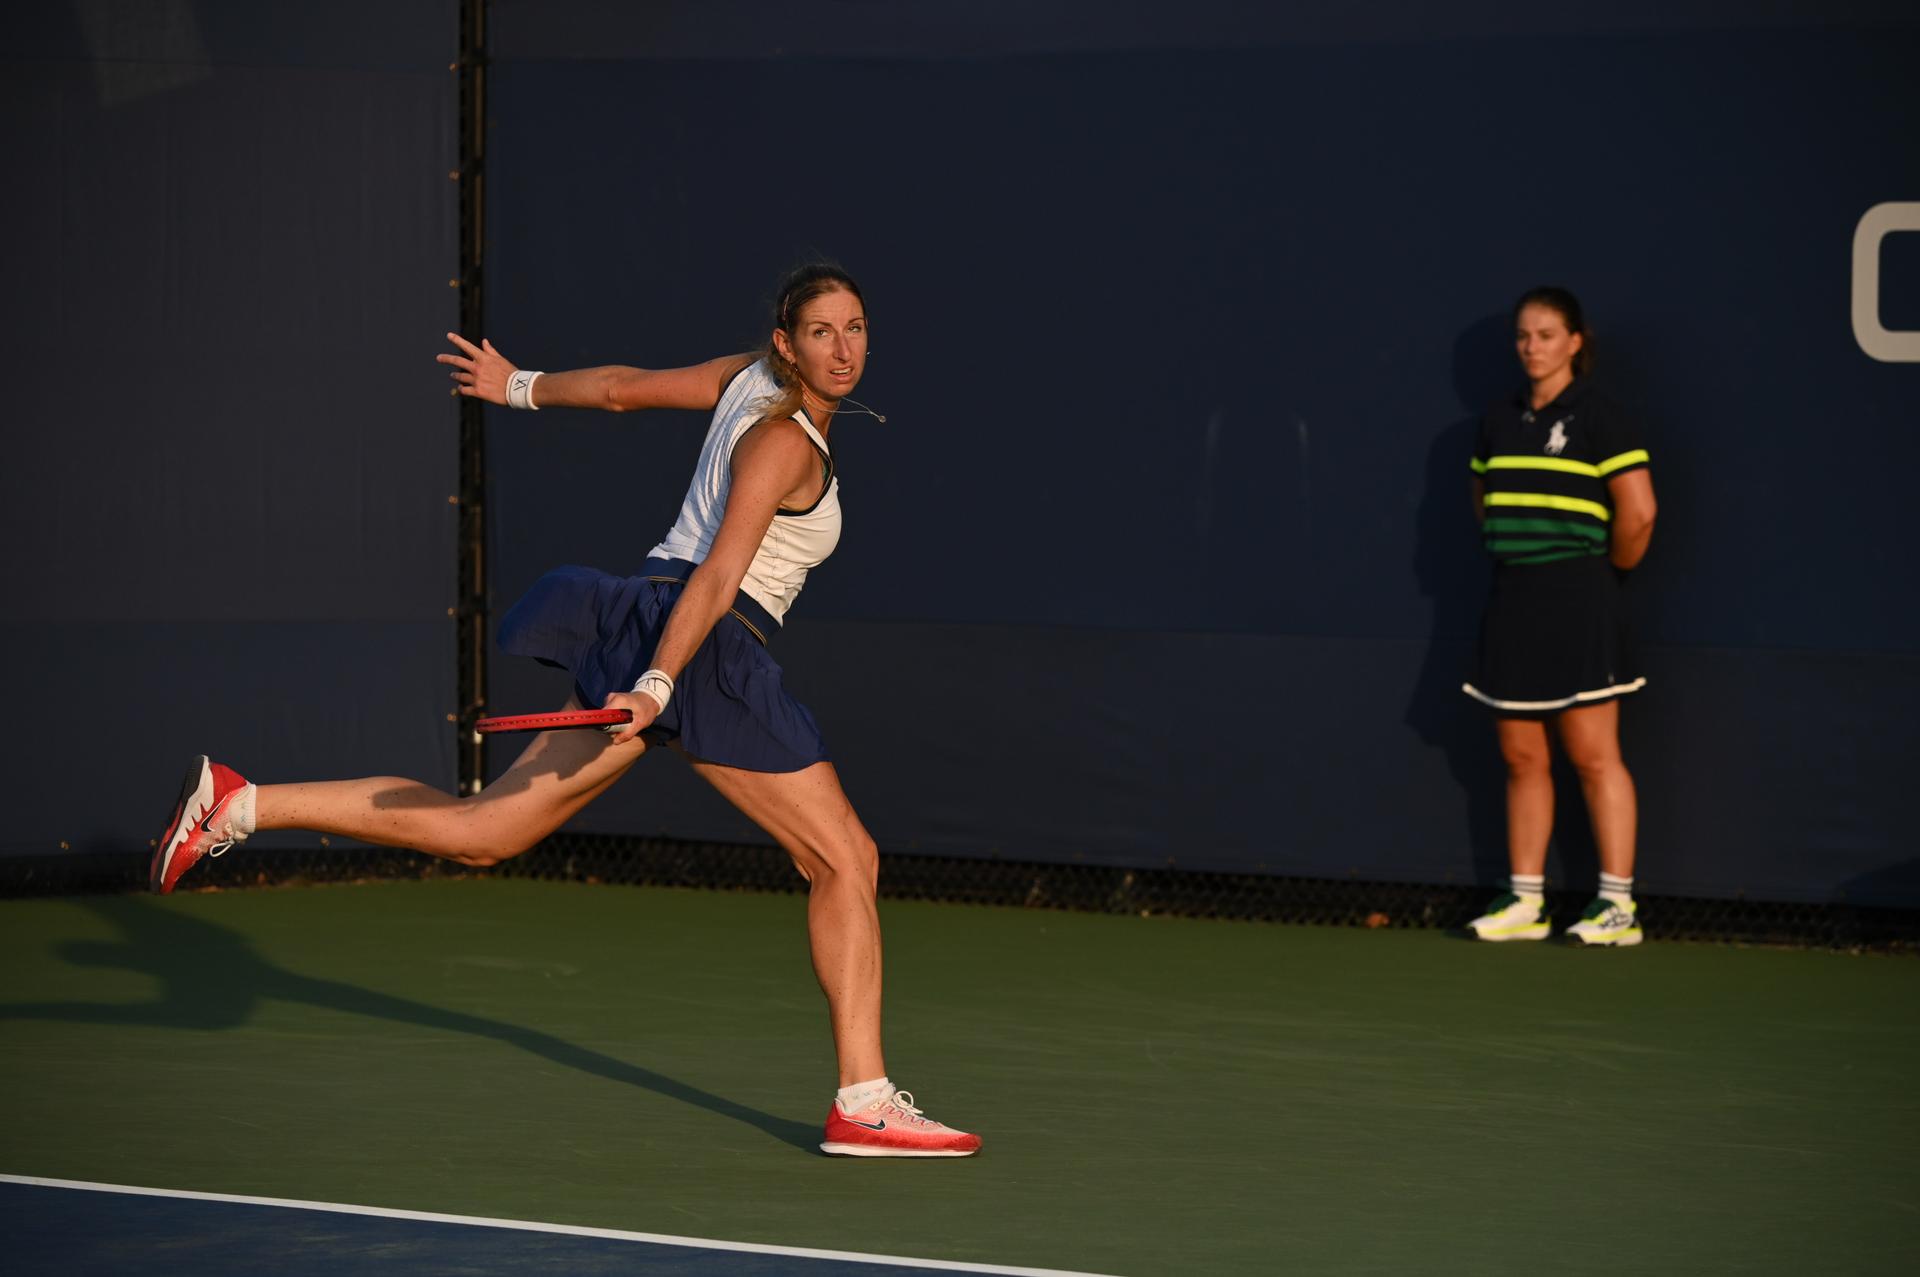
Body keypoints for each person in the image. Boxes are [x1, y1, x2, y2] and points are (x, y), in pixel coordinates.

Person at [149, 262, 980, 1157]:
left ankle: (240, 801)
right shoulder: (785, 442)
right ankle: (863, 1100)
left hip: (648, 622)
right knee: (845, 856)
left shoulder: (745, 377)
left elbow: (621, 390)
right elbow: (717, 574)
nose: (845, 347)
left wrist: (518, 387)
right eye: (824, 331)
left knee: (486, 831)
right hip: (704, 642)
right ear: (789, 342)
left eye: (856, 328)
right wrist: (662, 683)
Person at [1461, 286, 1657, 947]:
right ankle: (1525, 901)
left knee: (1594, 755)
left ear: (1576, 342)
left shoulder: (1603, 416)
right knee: (1520, 754)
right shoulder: (1497, 417)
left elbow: (1639, 514)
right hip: (1514, 598)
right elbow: (1484, 499)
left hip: (1581, 598)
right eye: (1523, 335)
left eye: (1546, 334)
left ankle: (1618, 908)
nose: (1531, 347)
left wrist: (1603, 575)